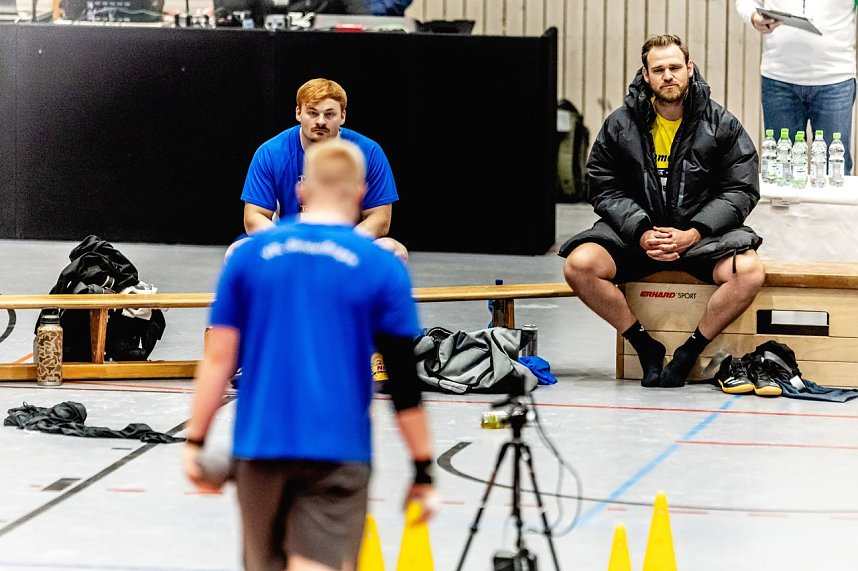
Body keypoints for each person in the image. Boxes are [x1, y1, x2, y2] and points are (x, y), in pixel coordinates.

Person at [185, 138, 435, 571]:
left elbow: (219, 359)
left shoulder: (249, 258)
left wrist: (195, 441)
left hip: (259, 448)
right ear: (360, 195)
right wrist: (422, 467)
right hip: (338, 452)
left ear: (301, 192)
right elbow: (402, 379)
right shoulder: (380, 266)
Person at [560, 34, 769, 392]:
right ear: (645, 74)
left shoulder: (722, 123)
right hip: (638, 237)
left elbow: (741, 189)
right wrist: (641, 230)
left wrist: (695, 231)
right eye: (659, 69)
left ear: (689, 69)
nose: (668, 75)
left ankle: (689, 352)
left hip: (701, 239)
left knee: (749, 273)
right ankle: (645, 346)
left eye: (675, 67)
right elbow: (602, 185)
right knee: (578, 266)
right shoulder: (620, 124)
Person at [239, 77, 408, 261]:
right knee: (237, 251)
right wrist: (290, 243)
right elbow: (253, 217)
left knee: (394, 251)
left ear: (342, 116)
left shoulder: (369, 152)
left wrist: (339, 246)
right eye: (312, 113)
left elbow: (380, 219)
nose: (320, 121)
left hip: (347, 249)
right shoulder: (270, 152)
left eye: (329, 114)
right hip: (288, 249)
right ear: (298, 113)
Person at [736, 0, 856, 174]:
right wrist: (753, 16)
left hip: (835, 79)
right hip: (779, 79)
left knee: (834, 167)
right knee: (780, 167)